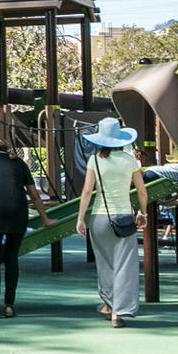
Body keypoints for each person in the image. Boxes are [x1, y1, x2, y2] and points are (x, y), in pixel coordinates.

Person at [74, 117, 150, 328]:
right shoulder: (129, 161)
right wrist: (143, 212)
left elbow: (87, 191)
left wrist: (81, 218)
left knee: (104, 263)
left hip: (99, 217)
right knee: (125, 265)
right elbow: (142, 190)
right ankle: (119, 311)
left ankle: (108, 303)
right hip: (124, 217)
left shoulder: (95, 160)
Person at [0, 137, 52, 319]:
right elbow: (34, 194)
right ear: (7, 149)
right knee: (11, 258)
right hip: (17, 211)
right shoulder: (18, 163)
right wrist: (44, 219)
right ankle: (9, 306)